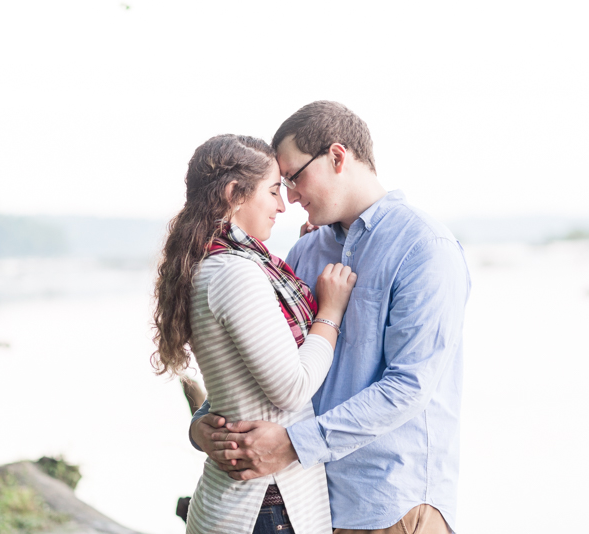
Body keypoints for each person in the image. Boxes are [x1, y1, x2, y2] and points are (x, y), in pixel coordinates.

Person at [191, 102, 471, 533]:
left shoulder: (424, 247)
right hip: (312, 505)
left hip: (390, 503)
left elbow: (409, 385)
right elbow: (267, 363)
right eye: (279, 185)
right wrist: (205, 424)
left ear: (337, 157)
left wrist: (292, 445)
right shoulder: (305, 251)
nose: (290, 197)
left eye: (293, 178)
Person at [152, 134, 357, 534]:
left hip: (248, 501)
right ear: (234, 194)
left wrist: (198, 423)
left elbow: (240, 382)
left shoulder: (218, 262)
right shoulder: (235, 273)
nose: (283, 204)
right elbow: (293, 389)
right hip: (266, 504)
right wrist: (330, 312)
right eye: (274, 190)